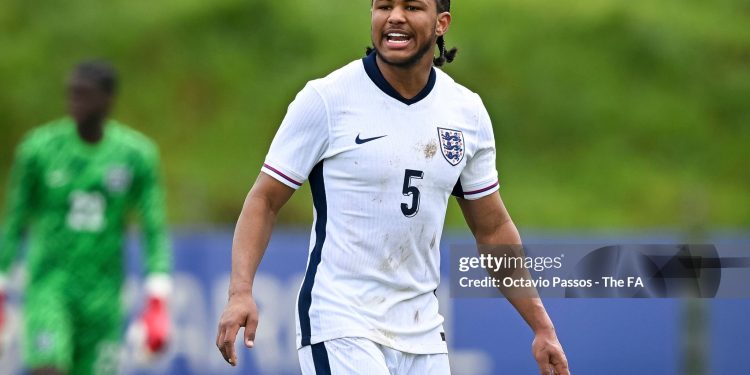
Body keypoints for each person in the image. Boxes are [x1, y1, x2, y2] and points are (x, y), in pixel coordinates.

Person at [216, 0, 570, 374]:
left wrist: (541, 326)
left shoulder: (466, 113)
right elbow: (264, 200)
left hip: (423, 333)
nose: (395, 16)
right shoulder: (326, 99)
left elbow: (493, 228)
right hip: (341, 322)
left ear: (441, 23)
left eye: (412, 7)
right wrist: (240, 292)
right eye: (384, 5)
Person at [0, 60, 172, 375]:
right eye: (71, 94)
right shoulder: (39, 150)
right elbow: (15, 221)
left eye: (83, 95)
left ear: (107, 99)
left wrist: (157, 294)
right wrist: (1, 282)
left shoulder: (135, 155)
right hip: (50, 286)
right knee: (48, 366)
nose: (74, 102)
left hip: (102, 295)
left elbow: (153, 226)